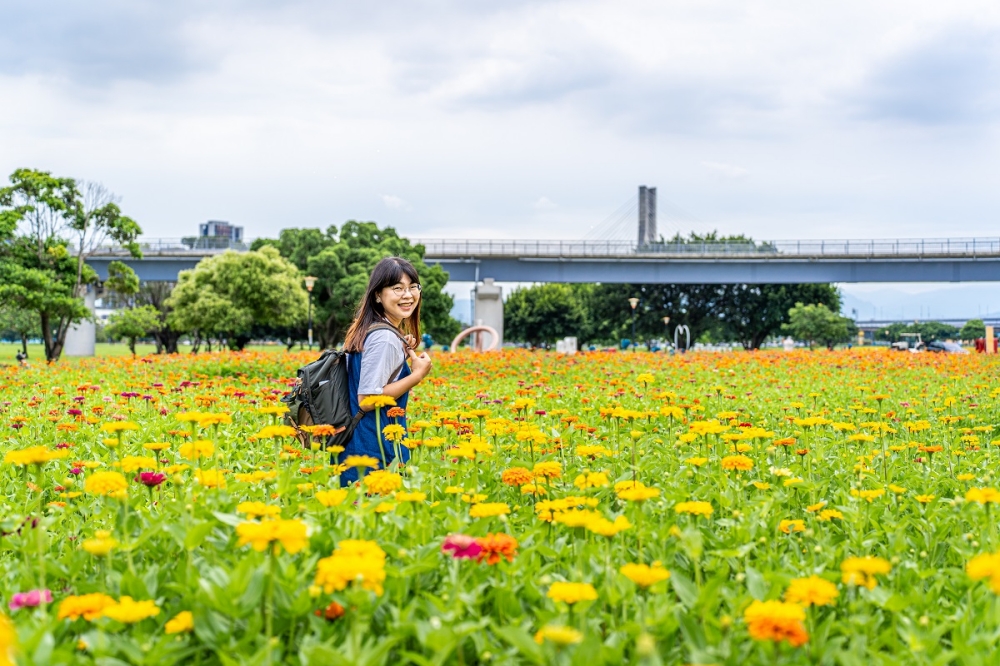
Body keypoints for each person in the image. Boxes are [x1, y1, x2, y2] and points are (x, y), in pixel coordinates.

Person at [338, 257, 432, 485]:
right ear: (378, 295)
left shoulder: (373, 329)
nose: (408, 295)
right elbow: (368, 399)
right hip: (374, 452)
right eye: (398, 288)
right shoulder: (384, 338)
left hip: (357, 447)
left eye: (413, 287)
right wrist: (416, 376)